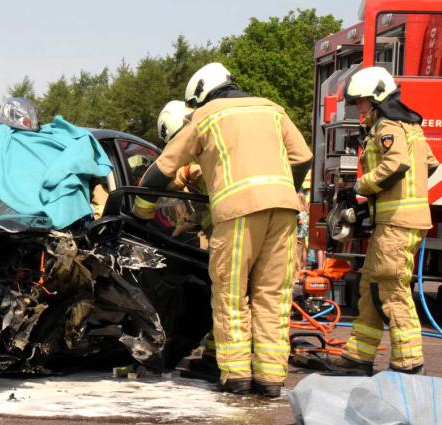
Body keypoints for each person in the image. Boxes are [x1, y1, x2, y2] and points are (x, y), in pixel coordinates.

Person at [132, 62, 312, 397]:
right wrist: (284, 190)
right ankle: (271, 379)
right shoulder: (271, 109)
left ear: (201, 94)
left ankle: (237, 377)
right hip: (285, 211)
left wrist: (140, 213)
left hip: (238, 214)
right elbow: (302, 157)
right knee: (272, 296)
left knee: (231, 295)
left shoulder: (207, 116)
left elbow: (161, 169)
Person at [327, 66, 438, 376]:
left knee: (390, 289)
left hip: (396, 223)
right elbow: (428, 164)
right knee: (371, 285)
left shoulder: (388, 126)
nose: (360, 109)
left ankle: (408, 364)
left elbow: (397, 163)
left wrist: (361, 188)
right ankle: (358, 356)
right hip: (398, 219)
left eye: (362, 102)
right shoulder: (410, 126)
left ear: (376, 99)